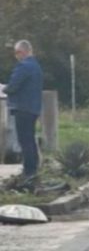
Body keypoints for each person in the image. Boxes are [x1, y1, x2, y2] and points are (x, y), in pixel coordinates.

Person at [2, 40, 43, 181]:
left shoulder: (23, 66)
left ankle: (29, 171)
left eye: (17, 52)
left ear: (24, 51)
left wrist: (3, 89)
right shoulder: (36, 66)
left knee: (24, 140)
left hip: (22, 107)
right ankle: (34, 168)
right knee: (30, 139)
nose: (16, 56)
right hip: (33, 107)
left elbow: (13, 86)